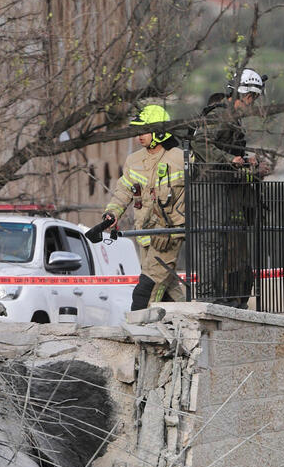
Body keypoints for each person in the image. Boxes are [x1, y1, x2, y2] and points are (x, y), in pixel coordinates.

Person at [188, 68, 273, 308]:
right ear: (241, 94)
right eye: (250, 97)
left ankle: (219, 296)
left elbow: (225, 150)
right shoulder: (220, 115)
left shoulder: (231, 119)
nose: (251, 103)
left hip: (220, 187)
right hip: (208, 187)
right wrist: (230, 160)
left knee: (220, 244)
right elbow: (199, 143)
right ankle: (207, 296)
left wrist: (246, 160)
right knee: (211, 242)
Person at [102, 104, 186, 311]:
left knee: (145, 291)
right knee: (167, 289)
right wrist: (111, 213)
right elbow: (123, 191)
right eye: (138, 131)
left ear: (159, 132)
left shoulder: (180, 158)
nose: (139, 136)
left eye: (144, 131)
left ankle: (141, 334)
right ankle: (192, 325)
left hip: (168, 237)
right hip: (145, 236)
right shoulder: (134, 161)